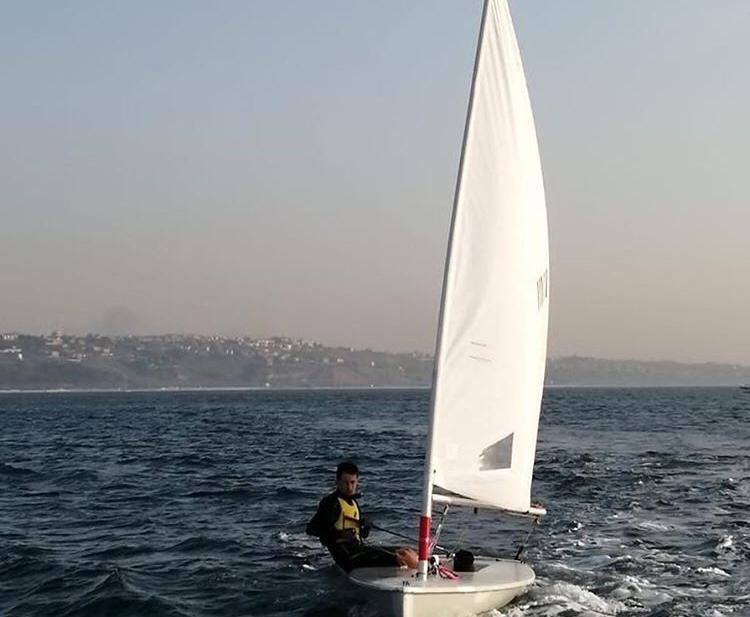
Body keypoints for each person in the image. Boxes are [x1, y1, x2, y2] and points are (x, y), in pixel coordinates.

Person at [306, 461, 418, 572]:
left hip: (359, 551)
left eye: (352, 482)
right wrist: (336, 534)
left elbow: (361, 536)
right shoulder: (331, 503)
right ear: (338, 482)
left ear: (357, 482)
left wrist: (364, 527)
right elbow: (311, 529)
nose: (350, 487)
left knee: (405, 550)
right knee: (400, 557)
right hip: (347, 559)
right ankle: (420, 571)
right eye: (345, 483)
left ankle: (421, 568)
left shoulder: (353, 502)